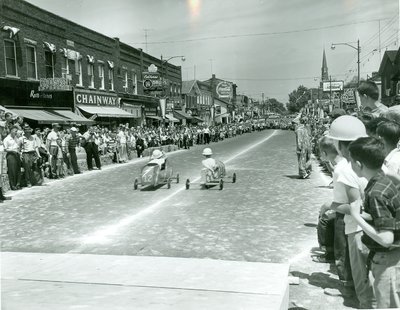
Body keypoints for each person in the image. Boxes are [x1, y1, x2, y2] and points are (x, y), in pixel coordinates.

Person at [347, 137, 400, 308]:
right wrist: (365, 215)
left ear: (358, 164)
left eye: (351, 161)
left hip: (388, 260)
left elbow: (386, 239)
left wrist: (356, 217)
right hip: (391, 257)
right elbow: (388, 215)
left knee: (388, 305)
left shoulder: (376, 192)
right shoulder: (384, 180)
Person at [3, 126, 21, 190]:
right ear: (11, 131)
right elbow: (5, 149)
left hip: (17, 154)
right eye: (15, 131)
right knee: (12, 170)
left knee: (18, 170)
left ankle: (18, 184)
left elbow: (18, 147)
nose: (16, 132)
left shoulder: (16, 138)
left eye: (16, 131)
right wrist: (12, 151)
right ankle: (13, 185)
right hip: (11, 155)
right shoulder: (7, 139)